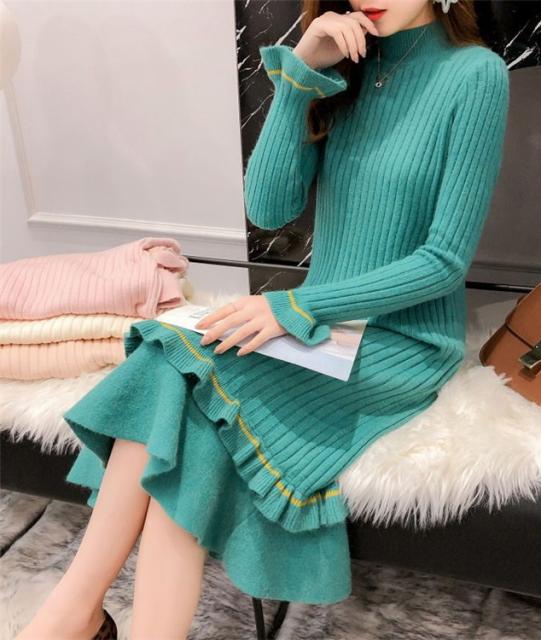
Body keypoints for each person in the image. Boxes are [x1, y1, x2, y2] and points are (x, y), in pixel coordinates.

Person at [16, 0, 510, 638]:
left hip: (400, 341)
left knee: (188, 390)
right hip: (318, 330)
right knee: (172, 365)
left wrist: (296, 306)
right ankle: (81, 613)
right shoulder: (347, 67)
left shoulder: (475, 75)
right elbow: (268, 209)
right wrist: (300, 74)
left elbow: (442, 262)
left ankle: (72, 618)